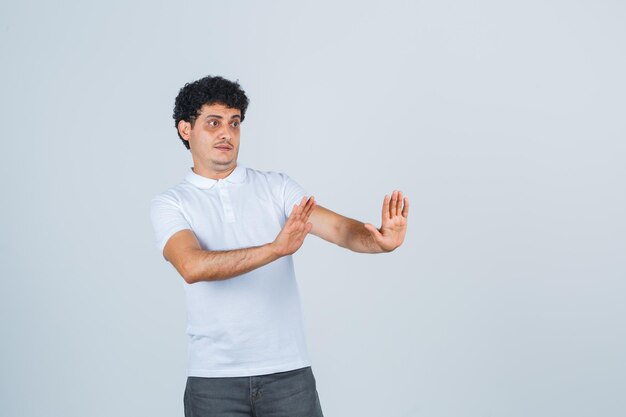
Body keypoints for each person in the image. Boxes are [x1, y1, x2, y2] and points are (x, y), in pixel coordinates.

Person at [150, 75, 409, 417]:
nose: (226, 133)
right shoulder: (172, 203)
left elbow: (337, 227)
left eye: (234, 123)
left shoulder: (275, 187)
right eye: (213, 123)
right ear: (186, 129)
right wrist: (275, 249)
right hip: (214, 381)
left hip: (288, 375)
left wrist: (379, 241)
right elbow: (192, 266)